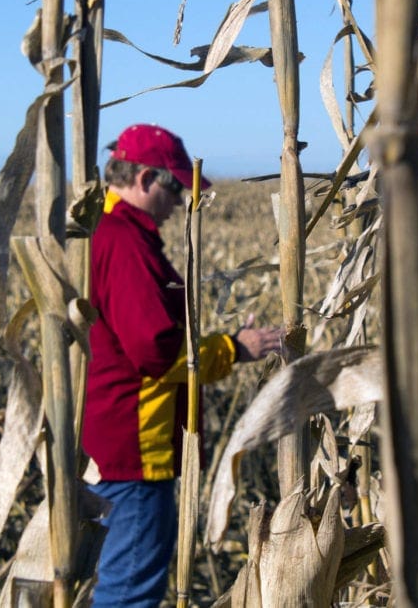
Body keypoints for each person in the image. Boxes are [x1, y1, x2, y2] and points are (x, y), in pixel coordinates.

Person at [82, 123, 284, 607]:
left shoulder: (101, 233)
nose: (179, 202)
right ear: (146, 179)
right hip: (133, 450)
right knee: (129, 593)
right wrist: (233, 349)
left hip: (104, 441)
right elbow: (153, 352)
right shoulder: (124, 243)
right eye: (175, 187)